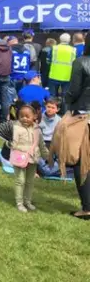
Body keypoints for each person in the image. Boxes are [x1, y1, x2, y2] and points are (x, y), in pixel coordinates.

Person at [63, 37, 90, 219]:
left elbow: (73, 90)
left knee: (81, 161)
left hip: (83, 115)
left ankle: (87, 207)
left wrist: (69, 107)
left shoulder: (81, 62)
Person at [11, 104, 48, 213]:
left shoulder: (37, 129)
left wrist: (46, 156)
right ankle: (19, 203)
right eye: (21, 116)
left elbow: (41, 144)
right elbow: (12, 144)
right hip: (20, 158)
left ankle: (27, 201)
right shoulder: (16, 128)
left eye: (27, 116)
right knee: (20, 180)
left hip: (33, 158)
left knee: (30, 181)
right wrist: (10, 144)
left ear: (34, 117)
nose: (24, 118)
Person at [49, 33, 76, 113]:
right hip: (67, 76)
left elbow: (48, 60)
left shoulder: (54, 48)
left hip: (54, 75)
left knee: (52, 96)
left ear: (59, 39)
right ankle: (64, 113)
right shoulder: (73, 50)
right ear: (69, 40)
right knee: (65, 96)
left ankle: (51, 112)